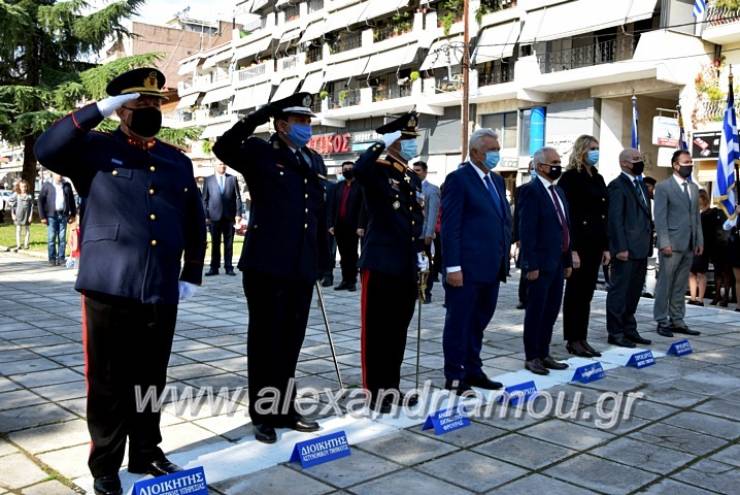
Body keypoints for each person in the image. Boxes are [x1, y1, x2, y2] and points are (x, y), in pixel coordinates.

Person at [34, 67, 206, 495]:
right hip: (109, 284)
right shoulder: (92, 149)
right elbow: (46, 148)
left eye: (154, 103)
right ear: (120, 111)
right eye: (139, 103)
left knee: (152, 376)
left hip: (161, 285)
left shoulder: (176, 159)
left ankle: (147, 451)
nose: (150, 109)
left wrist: (192, 273)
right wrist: (97, 110)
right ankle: (105, 465)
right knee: (109, 382)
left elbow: (194, 219)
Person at [213, 92, 326, 443]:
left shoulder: (313, 159)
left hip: (301, 265)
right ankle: (262, 414)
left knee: (292, 341)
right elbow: (223, 147)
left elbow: (317, 215)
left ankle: (285, 408)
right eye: (300, 122)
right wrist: (259, 114)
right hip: (267, 265)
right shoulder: (261, 151)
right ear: (281, 125)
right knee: (265, 343)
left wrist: (322, 259)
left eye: (309, 122)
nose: (307, 128)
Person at [353, 112, 425, 412]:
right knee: (377, 332)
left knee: (397, 331)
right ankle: (375, 392)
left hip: (405, 264)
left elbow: (413, 220)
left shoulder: (407, 175)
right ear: (394, 141)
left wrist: (421, 257)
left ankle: (392, 388)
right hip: (381, 264)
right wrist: (378, 145)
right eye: (406, 139)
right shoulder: (378, 169)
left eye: (413, 139)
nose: (412, 144)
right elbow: (359, 170)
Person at [441, 128, 510, 391]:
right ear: (474, 152)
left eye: (497, 149)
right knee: (459, 323)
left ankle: (473, 368)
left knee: (479, 321)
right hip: (466, 269)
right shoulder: (459, 179)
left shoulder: (496, 180)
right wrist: (453, 267)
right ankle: (455, 375)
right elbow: (451, 227)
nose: (496, 154)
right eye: (491, 150)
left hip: (490, 267)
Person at [518, 147, 572, 375]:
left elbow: (564, 227)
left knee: (551, 311)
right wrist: (530, 265)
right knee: (536, 311)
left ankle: (544, 351)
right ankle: (532, 356)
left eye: (560, 161)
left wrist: (568, 259)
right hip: (540, 263)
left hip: (558, 262)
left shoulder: (558, 191)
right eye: (554, 162)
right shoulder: (531, 191)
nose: (558, 165)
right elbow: (527, 230)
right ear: (540, 166)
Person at [558, 135, 609, 357]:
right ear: (581, 151)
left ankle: (582, 337)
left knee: (587, 293)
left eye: (597, 148)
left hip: (596, 243)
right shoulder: (569, 178)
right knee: (575, 293)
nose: (595, 152)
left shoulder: (597, 178)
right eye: (592, 148)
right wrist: (573, 249)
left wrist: (606, 246)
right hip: (579, 244)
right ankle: (572, 338)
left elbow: (603, 214)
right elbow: (568, 216)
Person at [605, 149, 653, 348]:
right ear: (624, 163)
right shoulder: (617, 186)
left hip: (641, 248)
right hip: (626, 250)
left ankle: (629, 328)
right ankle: (615, 332)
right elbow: (615, 220)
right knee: (620, 292)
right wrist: (620, 247)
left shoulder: (641, 184)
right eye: (636, 159)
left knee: (634, 292)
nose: (640, 162)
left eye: (641, 158)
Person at [653, 150, 703, 337]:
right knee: (665, 284)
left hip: (689, 244)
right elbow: (660, 217)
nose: (690, 164)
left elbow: (695, 217)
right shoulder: (664, 187)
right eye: (686, 162)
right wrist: (664, 242)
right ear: (675, 165)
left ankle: (677, 320)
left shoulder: (693, 188)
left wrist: (699, 240)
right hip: (671, 245)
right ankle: (661, 320)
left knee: (680, 286)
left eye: (691, 162)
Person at [202, 162, 243, 276]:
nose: (223, 166)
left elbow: (238, 197)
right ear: (215, 166)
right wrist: (206, 216)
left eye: (224, 164)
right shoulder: (208, 180)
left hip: (229, 217)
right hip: (213, 218)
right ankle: (214, 268)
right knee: (215, 244)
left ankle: (229, 267)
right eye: (220, 164)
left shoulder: (232, 179)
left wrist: (239, 214)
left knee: (229, 244)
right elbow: (204, 199)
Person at [328, 161, 363, 291]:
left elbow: (362, 208)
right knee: (343, 254)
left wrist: (361, 225)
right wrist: (330, 224)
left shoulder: (360, 186)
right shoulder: (338, 187)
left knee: (352, 254)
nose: (347, 170)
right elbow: (331, 207)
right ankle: (344, 280)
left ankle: (352, 281)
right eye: (345, 169)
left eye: (350, 168)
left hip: (353, 226)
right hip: (339, 225)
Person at [413, 161, 441, 303]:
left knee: (424, 264)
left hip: (424, 234)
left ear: (425, 172)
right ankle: (413, 290)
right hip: (411, 234)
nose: (415, 172)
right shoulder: (410, 187)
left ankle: (425, 292)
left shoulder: (432, 190)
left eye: (418, 170)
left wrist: (429, 233)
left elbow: (433, 214)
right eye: (414, 170)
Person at [512, 162, 536, 310]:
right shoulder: (522, 190)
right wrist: (517, 237)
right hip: (525, 235)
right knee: (526, 268)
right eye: (532, 168)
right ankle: (523, 298)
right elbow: (517, 217)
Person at [38, 173, 76, 266]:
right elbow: (40, 201)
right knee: (51, 238)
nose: (59, 175)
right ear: (53, 174)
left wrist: (73, 214)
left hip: (63, 215)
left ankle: (61, 258)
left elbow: (71, 200)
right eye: (57, 174)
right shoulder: (47, 185)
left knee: (62, 238)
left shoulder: (67, 185)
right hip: (51, 215)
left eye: (60, 174)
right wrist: (42, 216)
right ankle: (52, 258)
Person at [689, 190, 712, 306]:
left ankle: (700, 299)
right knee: (691, 272)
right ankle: (693, 297)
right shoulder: (694, 212)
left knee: (701, 273)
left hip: (703, 245)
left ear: (703, 198)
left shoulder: (708, 213)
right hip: (691, 245)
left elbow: (708, 232)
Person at [320, 179, 339, 287]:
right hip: (314, 223)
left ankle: (328, 275)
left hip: (328, 225)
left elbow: (334, 206)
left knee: (329, 250)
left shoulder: (331, 186)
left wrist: (332, 224)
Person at [9, 179, 33, 252]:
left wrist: (30, 216)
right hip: (18, 215)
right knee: (18, 230)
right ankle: (18, 245)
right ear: (19, 187)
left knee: (27, 230)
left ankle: (26, 244)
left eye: (25, 187)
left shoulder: (29, 196)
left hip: (27, 215)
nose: (24, 188)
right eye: (22, 187)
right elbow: (11, 203)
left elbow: (31, 206)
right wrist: (12, 214)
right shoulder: (16, 194)